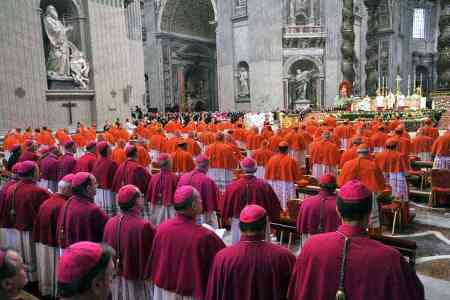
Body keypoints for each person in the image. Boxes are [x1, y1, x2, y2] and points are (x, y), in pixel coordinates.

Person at [287, 180, 424, 300]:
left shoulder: (311, 246)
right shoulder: (390, 258)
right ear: (370, 212)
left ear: (338, 210)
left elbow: (297, 290)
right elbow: (413, 293)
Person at [148, 186, 226, 300]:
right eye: (199, 199)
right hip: (190, 293)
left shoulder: (162, 228)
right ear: (194, 205)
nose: (202, 201)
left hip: (164, 291)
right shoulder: (205, 236)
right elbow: (220, 264)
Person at [205, 205, 295, 300]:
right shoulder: (285, 257)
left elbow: (214, 293)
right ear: (265, 227)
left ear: (240, 227)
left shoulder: (222, 258)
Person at [0, 161, 51, 283]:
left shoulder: (10, 187)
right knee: (32, 256)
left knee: (21, 254)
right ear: (33, 173)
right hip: (31, 230)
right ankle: (33, 278)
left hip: (15, 227)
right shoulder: (38, 191)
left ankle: (22, 275)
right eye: (38, 170)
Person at [103, 185, 155, 300]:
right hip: (136, 280)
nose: (142, 197)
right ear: (136, 201)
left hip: (115, 277)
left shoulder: (110, 222)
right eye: (140, 196)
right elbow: (151, 255)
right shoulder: (143, 226)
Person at [33, 174, 74, 298]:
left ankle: (47, 290)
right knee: (56, 270)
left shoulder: (48, 200)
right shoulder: (64, 205)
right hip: (56, 246)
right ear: (67, 190)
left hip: (43, 243)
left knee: (46, 268)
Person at [222, 158, 281, 244]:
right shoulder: (264, 185)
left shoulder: (233, 186)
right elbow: (273, 205)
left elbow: (225, 206)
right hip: (260, 222)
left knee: (239, 245)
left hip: (239, 222)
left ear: (242, 169)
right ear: (255, 169)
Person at [339, 144, 387, 234]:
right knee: (370, 221)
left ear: (357, 153)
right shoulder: (373, 165)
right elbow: (381, 186)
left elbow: (341, 183)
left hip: (349, 196)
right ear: (368, 153)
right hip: (368, 196)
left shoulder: (348, 164)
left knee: (350, 219)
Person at [57, 172, 109, 249]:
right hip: (88, 254)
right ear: (88, 188)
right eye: (95, 184)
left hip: (71, 251)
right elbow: (107, 232)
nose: (97, 186)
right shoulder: (93, 210)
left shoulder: (68, 203)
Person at [297, 174, 341, 245]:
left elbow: (301, 228)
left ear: (320, 186)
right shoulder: (340, 204)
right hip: (331, 243)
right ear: (335, 187)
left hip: (310, 243)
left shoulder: (306, 202)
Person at [178, 155, 220, 228]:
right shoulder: (207, 180)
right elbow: (212, 203)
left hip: (185, 214)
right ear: (207, 167)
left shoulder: (183, 177)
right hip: (202, 216)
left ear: (195, 164)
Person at [375, 138, 411, 223]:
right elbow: (406, 173)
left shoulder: (379, 155)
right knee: (399, 199)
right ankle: (401, 220)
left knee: (382, 198)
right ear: (396, 146)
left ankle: (383, 219)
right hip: (397, 180)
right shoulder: (400, 155)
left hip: (383, 181)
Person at [265, 141, 302, 210]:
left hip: (274, 183)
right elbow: (297, 175)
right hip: (286, 183)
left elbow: (267, 172)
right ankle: (286, 211)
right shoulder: (291, 160)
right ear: (287, 149)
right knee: (286, 199)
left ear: (278, 149)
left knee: (276, 197)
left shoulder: (272, 159)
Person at [146, 154, 179, 225]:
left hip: (155, 207)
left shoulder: (154, 178)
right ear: (169, 164)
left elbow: (149, 195)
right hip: (170, 208)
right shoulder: (174, 178)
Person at [92, 141, 119, 217]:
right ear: (107, 150)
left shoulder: (96, 162)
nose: (111, 148)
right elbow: (116, 179)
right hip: (108, 192)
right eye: (109, 147)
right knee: (110, 215)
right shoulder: (111, 163)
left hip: (98, 192)